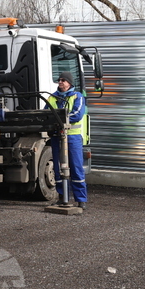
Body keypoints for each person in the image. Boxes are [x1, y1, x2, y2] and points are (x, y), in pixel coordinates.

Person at [45, 71, 89, 209]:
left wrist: (57, 119)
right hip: (56, 137)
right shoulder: (52, 98)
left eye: (63, 80)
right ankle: (62, 197)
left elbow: (77, 114)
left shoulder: (78, 96)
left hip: (72, 138)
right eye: (59, 80)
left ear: (70, 83)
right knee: (58, 169)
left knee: (76, 168)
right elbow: (45, 113)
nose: (60, 82)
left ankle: (81, 200)